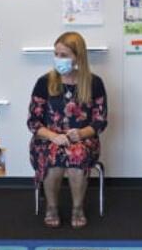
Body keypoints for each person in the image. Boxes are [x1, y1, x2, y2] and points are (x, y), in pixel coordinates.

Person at [27, 31, 108, 229]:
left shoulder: (94, 83)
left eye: (64, 55)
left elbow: (100, 121)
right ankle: (52, 208)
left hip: (83, 138)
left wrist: (80, 134)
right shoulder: (44, 82)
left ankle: (77, 208)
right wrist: (54, 136)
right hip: (48, 138)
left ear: (78, 57)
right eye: (56, 54)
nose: (58, 59)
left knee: (77, 154)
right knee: (52, 156)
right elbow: (33, 122)